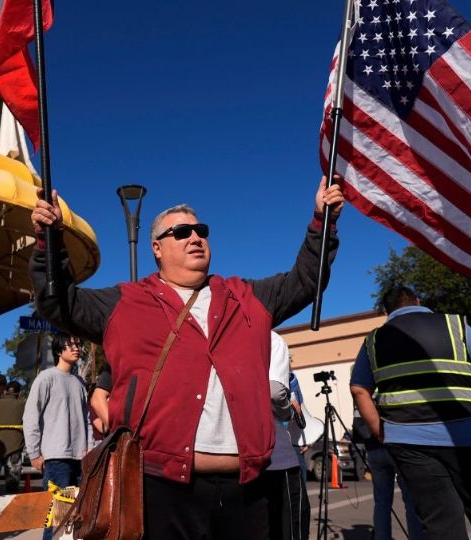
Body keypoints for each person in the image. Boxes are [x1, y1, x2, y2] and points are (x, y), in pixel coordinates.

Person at [29, 177, 344, 539]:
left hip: (250, 490)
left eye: (200, 230)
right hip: (160, 489)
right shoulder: (125, 302)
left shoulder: (246, 296)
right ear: (156, 248)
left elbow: (306, 280)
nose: (195, 237)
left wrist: (323, 222)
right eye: (181, 232)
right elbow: (58, 302)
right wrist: (49, 242)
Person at [350, 286, 471, 540]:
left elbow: (359, 389)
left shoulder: (373, 340)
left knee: (440, 523)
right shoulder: (455, 325)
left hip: (410, 442)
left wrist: (381, 431)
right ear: (418, 301)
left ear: (386, 311)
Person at [23, 333, 93, 540]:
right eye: (70, 345)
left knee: (77, 517)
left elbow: (87, 418)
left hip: (80, 458)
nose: (76, 348)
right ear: (58, 351)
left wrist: (89, 448)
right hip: (56, 459)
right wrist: (34, 453)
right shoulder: (46, 378)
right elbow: (30, 416)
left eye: (78, 344)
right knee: (58, 518)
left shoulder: (80, 382)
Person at [352, 403, 425, 540]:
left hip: (374, 448)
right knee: (410, 501)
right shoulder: (390, 385)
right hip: (398, 445)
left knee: (381, 502)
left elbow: (358, 421)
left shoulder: (365, 387)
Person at [264, 332, 310, 540]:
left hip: (289, 442)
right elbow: (275, 393)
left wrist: (302, 434)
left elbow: (301, 412)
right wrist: (288, 410)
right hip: (277, 455)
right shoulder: (271, 339)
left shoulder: (292, 380)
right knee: (291, 522)